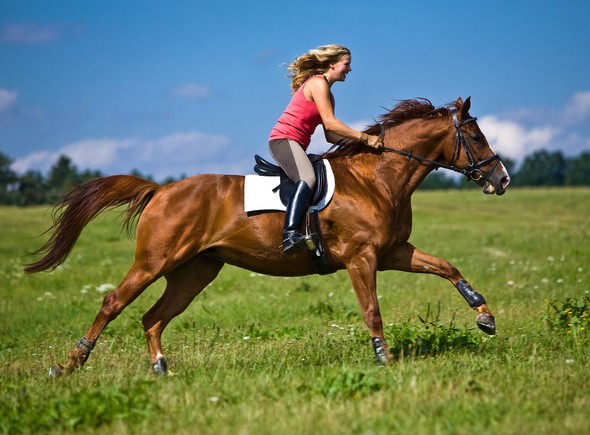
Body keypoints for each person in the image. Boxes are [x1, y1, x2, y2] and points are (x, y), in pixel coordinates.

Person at [268, 44, 383, 254]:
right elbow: (331, 124)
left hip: (296, 144)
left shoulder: (328, 95)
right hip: (283, 141)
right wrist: (365, 138)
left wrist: (358, 146)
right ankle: (290, 234)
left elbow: (330, 135)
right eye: (346, 64)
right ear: (332, 64)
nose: (349, 69)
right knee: (308, 178)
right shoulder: (317, 84)